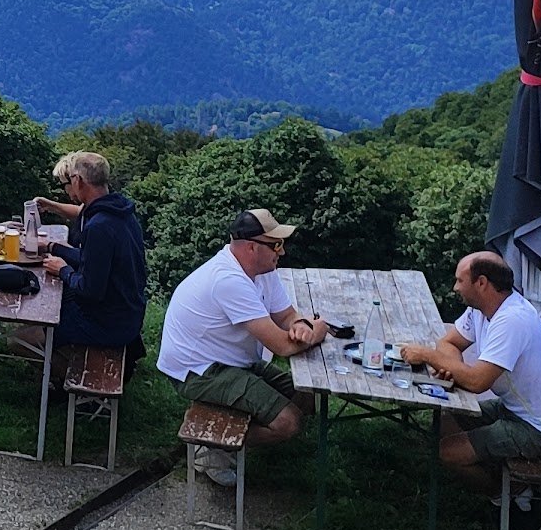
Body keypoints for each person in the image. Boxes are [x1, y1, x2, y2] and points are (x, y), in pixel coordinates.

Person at [400, 253, 541, 500]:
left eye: (460, 280)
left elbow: (478, 382)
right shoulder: (481, 309)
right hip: (524, 411)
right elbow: (449, 342)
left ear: (481, 283)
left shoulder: (511, 320)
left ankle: (512, 497)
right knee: (447, 420)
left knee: (448, 452)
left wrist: (428, 356)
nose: (455, 287)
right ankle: (499, 474)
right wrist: (452, 369)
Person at [157, 209, 329, 474]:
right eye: (276, 245)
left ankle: (227, 426)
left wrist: (301, 326)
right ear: (251, 247)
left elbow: (286, 315)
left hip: (232, 359)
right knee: (288, 422)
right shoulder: (229, 280)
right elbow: (281, 346)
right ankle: (211, 445)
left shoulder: (263, 269)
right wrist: (317, 330)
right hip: (199, 370)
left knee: (307, 398)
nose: (281, 252)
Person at [32, 150, 147, 378]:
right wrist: (53, 247)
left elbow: (90, 290)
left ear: (78, 180)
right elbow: (91, 260)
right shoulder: (120, 211)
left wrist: (62, 270)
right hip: (127, 311)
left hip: (108, 323)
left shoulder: (99, 226)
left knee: (25, 338)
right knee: (56, 300)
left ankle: (85, 387)